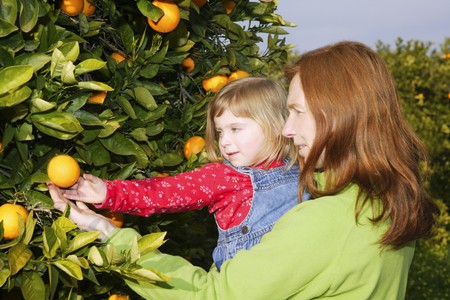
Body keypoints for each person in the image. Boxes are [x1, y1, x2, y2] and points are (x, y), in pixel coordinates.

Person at [49, 41, 439, 299]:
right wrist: (111, 195)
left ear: (341, 116)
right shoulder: (387, 205)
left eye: (297, 112)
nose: (288, 129)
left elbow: (213, 296)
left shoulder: (327, 221)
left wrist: (106, 233)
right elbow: (170, 190)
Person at [57, 77, 310, 270]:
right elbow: (165, 192)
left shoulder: (303, 169)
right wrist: (109, 192)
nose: (225, 141)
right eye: (221, 132)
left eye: (236, 128)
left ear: (277, 127)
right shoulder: (225, 177)